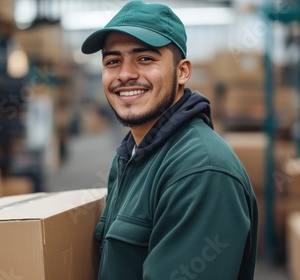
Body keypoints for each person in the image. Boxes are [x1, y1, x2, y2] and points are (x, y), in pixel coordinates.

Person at [81, 1, 258, 279]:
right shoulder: (130, 156)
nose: (125, 74)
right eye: (113, 61)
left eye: (145, 59)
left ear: (182, 72)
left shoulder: (200, 171)